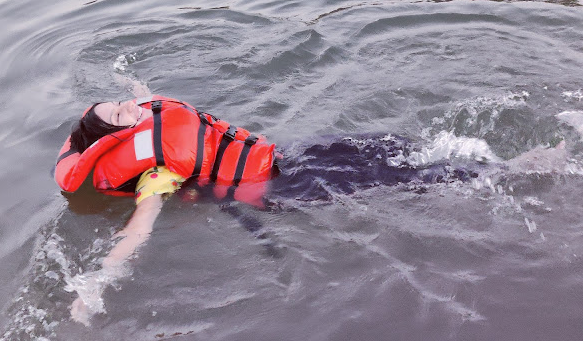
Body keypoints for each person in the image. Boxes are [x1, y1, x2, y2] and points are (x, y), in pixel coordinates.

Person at [63, 93, 573, 325]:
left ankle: (494, 162)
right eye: (118, 113)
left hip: (296, 156)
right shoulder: (157, 174)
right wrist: (95, 288)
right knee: (410, 178)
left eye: (122, 103)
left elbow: (145, 99)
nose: (131, 109)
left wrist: (130, 84)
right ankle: (524, 172)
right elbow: (137, 231)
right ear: (117, 137)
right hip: (294, 188)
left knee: (395, 146)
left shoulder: (148, 118)